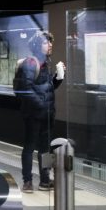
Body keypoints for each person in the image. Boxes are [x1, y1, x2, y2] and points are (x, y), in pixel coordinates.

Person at [13, 31, 65, 192]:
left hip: (46, 114)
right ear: (37, 46)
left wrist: (58, 77)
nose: (50, 45)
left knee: (46, 149)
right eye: (45, 42)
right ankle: (27, 181)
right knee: (29, 147)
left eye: (50, 42)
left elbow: (48, 88)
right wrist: (41, 105)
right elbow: (25, 89)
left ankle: (45, 180)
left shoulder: (45, 63)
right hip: (33, 114)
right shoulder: (31, 63)